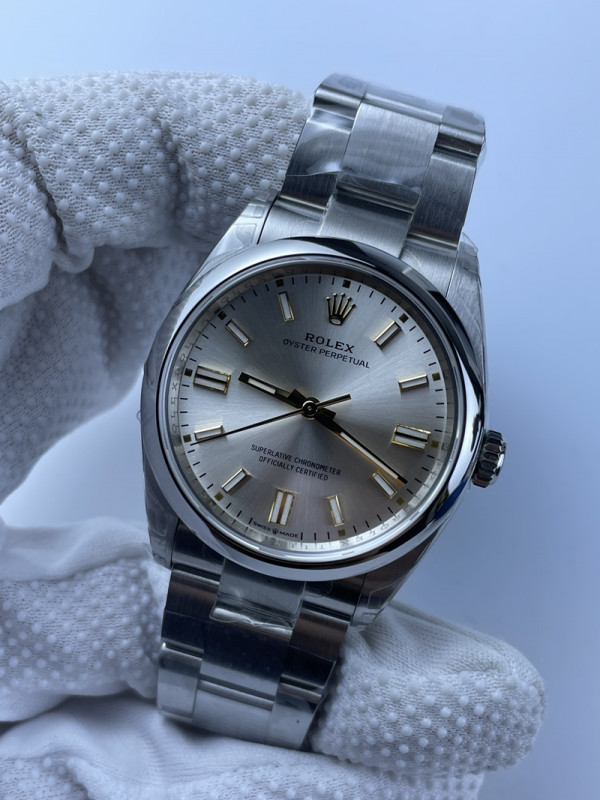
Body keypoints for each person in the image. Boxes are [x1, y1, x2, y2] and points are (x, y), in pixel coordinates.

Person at [0, 72, 544, 800]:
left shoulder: (449, 279)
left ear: (474, 452)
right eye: (303, 401)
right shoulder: (257, 243)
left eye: (321, 408)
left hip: (297, 527)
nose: (312, 411)